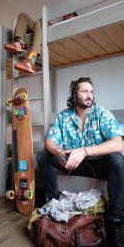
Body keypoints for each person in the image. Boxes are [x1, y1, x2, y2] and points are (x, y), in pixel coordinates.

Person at [37, 77, 124, 247]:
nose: (89, 95)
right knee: (43, 155)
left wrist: (83, 151)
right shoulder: (64, 117)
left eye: (91, 91)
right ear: (74, 94)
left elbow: (118, 143)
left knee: (117, 158)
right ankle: (54, 204)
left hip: (100, 165)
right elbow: (49, 142)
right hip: (72, 164)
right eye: (84, 91)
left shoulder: (102, 113)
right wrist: (58, 152)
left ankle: (113, 221)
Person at [4, 12, 77, 74]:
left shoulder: (72, 23)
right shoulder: (58, 19)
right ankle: (19, 43)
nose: (68, 15)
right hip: (42, 27)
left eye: (71, 15)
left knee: (40, 21)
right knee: (23, 15)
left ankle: (31, 60)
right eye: (68, 14)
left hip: (46, 27)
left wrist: (70, 19)